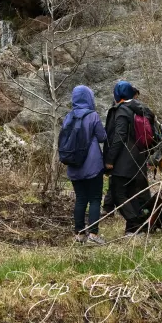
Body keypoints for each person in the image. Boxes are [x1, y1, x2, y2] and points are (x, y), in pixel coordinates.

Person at [103, 80, 156, 236]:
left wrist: (110, 159)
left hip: (123, 160)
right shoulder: (141, 110)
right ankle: (134, 229)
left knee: (118, 193)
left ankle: (135, 222)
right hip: (139, 158)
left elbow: (119, 136)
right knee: (132, 193)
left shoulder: (122, 111)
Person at [63, 85, 109, 245]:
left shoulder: (68, 116)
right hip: (92, 166)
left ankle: (79, 234)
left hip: (74, 165)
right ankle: (94, 236)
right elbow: (102, 137)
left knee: (80, 198)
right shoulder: (93, 115)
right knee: (95, 198)